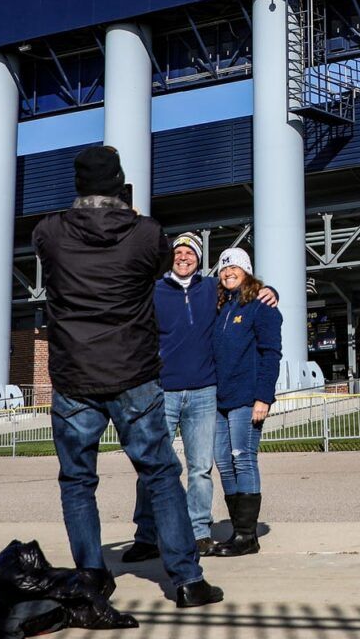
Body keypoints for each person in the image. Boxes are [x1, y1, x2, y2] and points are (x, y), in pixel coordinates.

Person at [33, 144, 223, 609]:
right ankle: (187, 580)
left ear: (78, 186)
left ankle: (92, 577)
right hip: (133, 372)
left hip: (74, 374)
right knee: (160, 473)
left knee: (77, 480)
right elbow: (154, 263)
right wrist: (130, 215)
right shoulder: (145, 234)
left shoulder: (49, 233)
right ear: (119, 185)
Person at [126, 232, 277, 562]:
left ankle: (201, 534)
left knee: (202, 467)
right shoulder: (158, 292)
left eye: (190, 252)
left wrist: (270, 291)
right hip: (164, 391)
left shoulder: (211, 290)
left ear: (198, 258)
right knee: (153, 464)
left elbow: (260, 323)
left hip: (206, 393)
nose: (183, 257)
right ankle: (147, 536)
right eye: (178, 252)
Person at [207, 247, 281, 557]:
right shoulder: (221, 308)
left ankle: (247, 536)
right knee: (224, 463)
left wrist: (263, 397)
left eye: (234, 268)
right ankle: (238, 531)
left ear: (247, 271)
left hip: (246, 398)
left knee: (243, 457)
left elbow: (271, 354)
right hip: (219, 400)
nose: (227, 273)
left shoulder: (261, 307)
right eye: (223, 269)